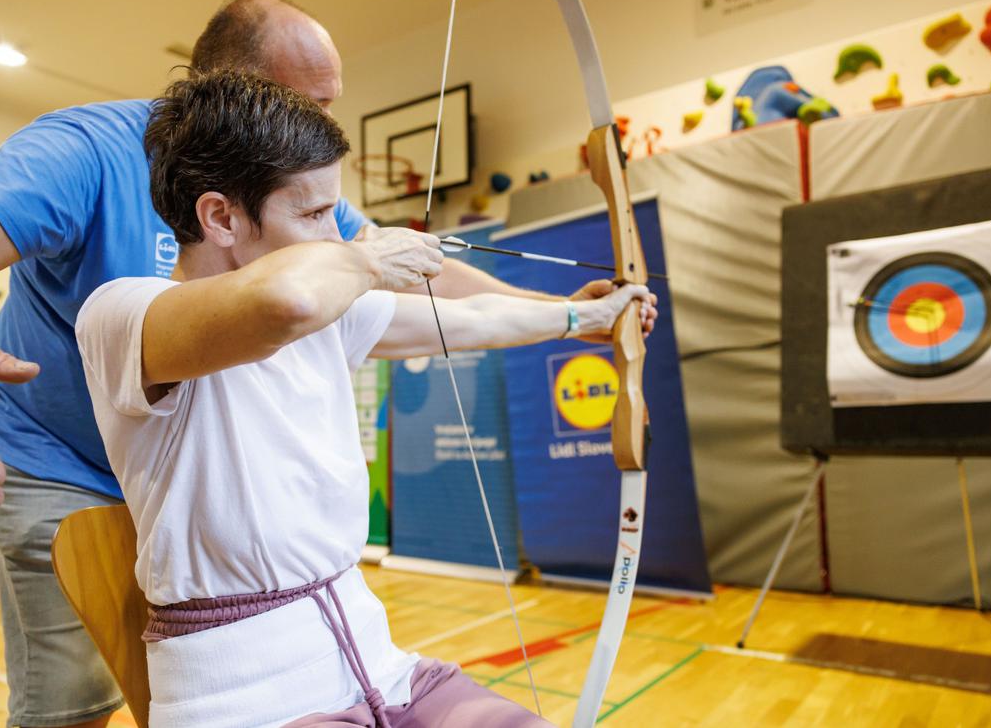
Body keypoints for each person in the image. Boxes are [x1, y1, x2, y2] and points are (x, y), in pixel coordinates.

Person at [0, 0, 656, 727]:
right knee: (69, 704)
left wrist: (580, 316)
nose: (321, 126)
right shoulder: (111, 231)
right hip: (62, 460)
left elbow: (443, 299)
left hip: (352, 655)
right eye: (308, 106)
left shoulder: (301, 221)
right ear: (234, 110)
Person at [75, 69, 652, 728]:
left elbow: (475, 320)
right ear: (221, 216)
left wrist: (583, 317)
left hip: (384, 672)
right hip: (242, 704)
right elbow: (284, 301)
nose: (333, 233)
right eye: (315, 214)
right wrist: (370, 258)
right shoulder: (124, 316)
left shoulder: (331, 313)